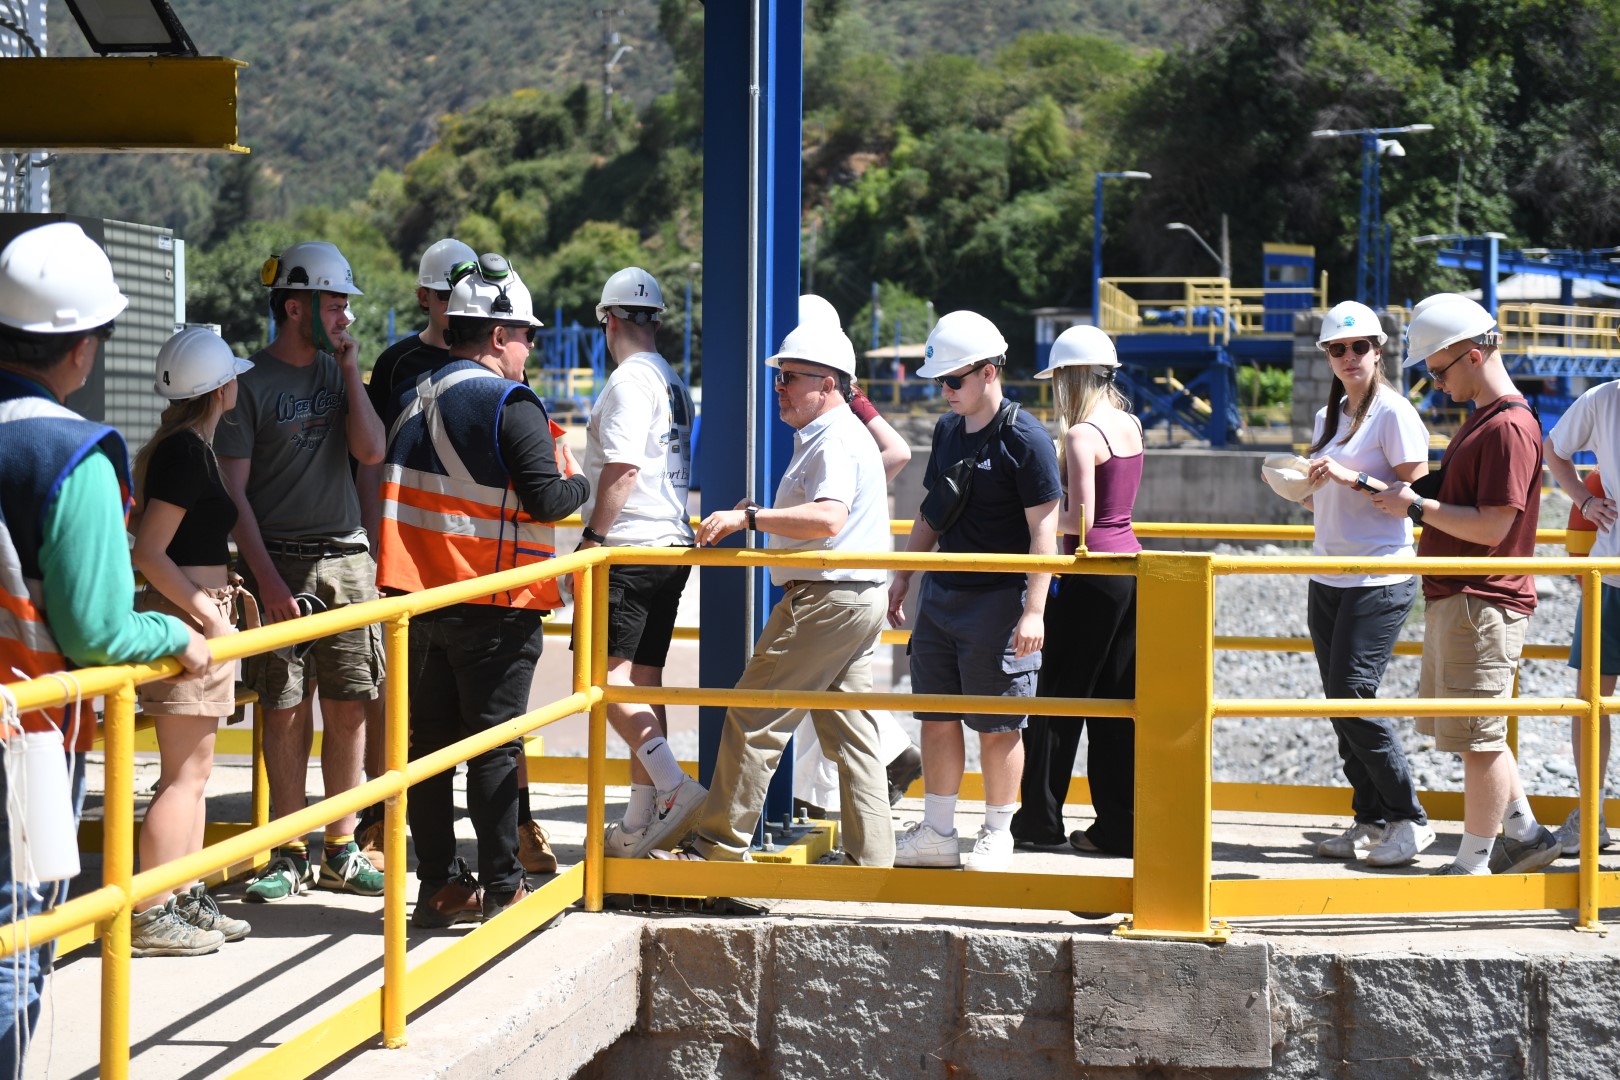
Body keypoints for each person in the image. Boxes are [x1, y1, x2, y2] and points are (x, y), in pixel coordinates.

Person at [0, 223, 210, 1067]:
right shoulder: (72, 455)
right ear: (83, 348)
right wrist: (175, 633)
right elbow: (95, 631)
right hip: (32, 748)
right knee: (18, 942)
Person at [376, 254, 589, 925]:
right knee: (495, 747)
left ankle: (439, 883)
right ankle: (504, 886)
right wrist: (584, 480)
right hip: (497, 602)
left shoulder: (419, 392)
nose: (531, 347)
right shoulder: (507, 400)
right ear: (498, 337)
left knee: (431, 751)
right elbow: (550, 500)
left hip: (424, 601)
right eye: (527, 334)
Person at [649, 320, 894, 867]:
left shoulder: (834, 439)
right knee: (852, 735)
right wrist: (764, 518)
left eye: (789, 377)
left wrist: (751, 518)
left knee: (753, 717)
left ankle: (716, 851)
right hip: (853, 596)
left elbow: (830, 518)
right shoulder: (840, 436)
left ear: (828, 383)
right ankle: (871, 861)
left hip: (827, 599)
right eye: (779, 376)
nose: (779, 386)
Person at [215, 241, 388, 903]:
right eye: (335, 303)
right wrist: (267, 580)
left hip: (346, 560)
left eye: (346, 303)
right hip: (277, 563)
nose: (346, 315)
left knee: (350, 708)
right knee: (285, 712)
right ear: (296, 306)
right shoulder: (249, 385)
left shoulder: (337, 373)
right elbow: (234, 497)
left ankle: (341, 848)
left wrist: (348, 372)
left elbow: (370, 450)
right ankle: (287, 852)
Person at [1370, 295, 1558, 876]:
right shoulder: (1487, 418)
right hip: (1467, 596)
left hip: (1483, 599)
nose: (1434, 382)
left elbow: (1494, 524)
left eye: (1438, 369)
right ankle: (1524, 833)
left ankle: (1472, 863)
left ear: (1473, 356)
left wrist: (1417, 506)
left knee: (1477, 738)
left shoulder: (1506, 426)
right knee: (1481, 732)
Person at [889, 310, 1061, 872]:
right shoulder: (944, 432)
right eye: (940, 381)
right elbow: (931, 512)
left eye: (954, 380)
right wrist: (904, 576)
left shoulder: (1026, 438)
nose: (945, 391)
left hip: (999, 601)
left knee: (999, 722)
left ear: (989, 372)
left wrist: (1033, 610)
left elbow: (1045, 531)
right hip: (942, 596)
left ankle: (996, 832)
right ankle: (938, 831)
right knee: (936, 717)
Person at [1281, 302, 1435, 868]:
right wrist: (1300, 479)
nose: (1349, 357)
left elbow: (1417, 499)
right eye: (1337, 349)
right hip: (1329, 572)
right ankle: (1369, 818)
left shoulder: (1394, 413)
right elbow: (1327, 488)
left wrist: (1353, 476)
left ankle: (1409, 819)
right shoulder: (1334, 416)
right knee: (1339, 702)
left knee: (1352, 693)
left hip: (1379, 573)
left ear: (1380, 350)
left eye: (1359, 347)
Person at [129, 328, 258, 955]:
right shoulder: (185, 452)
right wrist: (209, 614)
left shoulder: (188, 448)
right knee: (182, 775)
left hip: (197, 614)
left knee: (195, 772)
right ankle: (153, 910)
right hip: (189, 620)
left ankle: (181, 895)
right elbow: (150, 551)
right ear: (219, 387)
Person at [576, 267, 707, 860]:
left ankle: (672, 787)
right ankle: (639, 816)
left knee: (602, 679)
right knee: (643, 679)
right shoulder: (671, 379)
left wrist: (592, 537)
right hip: (670, 544)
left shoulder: (630, 381)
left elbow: (624, 469)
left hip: (631, 546)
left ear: (610, 320)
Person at [1010, 325, 1143, 857]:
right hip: (1131, 568)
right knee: (1116, 705)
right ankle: (1120, 827)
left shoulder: (1081, 434)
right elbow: (1117, 511)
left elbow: (1079, 520)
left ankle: (1039, 822)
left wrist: (1031, 517)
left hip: (1089, 570)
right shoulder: (1130, 424)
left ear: (1071, 377)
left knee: (1055, 700)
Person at [788, 294, 922, 819]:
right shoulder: (835, 396)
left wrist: (837, 499)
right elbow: (895, 452)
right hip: (840, 560)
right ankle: (836, 793)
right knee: (831, 683)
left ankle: (812, 799)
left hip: (826, 559)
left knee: (802, 685)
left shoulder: (831, 404)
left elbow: (896, 453)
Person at [1544, 388, 1620, 855]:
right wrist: (1583, 500)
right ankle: (1591, 813)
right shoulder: (1602, 400)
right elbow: (1553, 447)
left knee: (1592, 700)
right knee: (1590, 699)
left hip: (1608, 574)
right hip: (1609, 575)